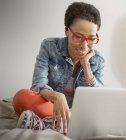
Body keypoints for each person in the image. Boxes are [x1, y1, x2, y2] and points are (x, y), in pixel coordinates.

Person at [13, 2, 104, 134]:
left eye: (91, 39)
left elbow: (99, 98)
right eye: (78, 37)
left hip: (78, 111)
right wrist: (57, 97)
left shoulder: (98, 60)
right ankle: (63, 123)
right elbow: (38, 85)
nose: (84, 46)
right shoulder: (49, 46)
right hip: (49, 106)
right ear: (66, 30)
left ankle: (47, 123)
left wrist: (86, 65)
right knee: (21, 97)